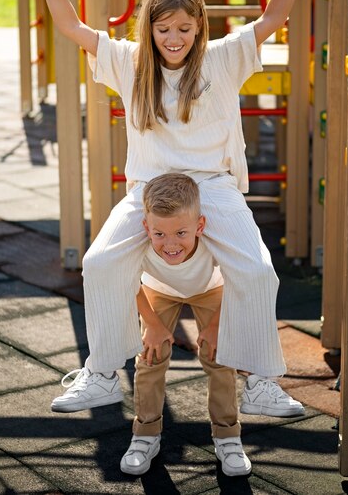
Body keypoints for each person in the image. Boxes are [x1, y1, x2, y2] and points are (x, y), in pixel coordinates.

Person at [29, 0, 311, 425]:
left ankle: (262, 381)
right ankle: (100, 372)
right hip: (151, 189)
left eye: (183, 28)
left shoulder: (221, 59)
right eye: (163, 30)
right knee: (98, 263)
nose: (173, 39)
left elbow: (274, 16)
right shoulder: (131, 62)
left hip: (212, 186)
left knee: (259, 270)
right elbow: (72, 28)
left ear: (199, 25)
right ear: (149, 29)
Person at [120, 172, 251, 476]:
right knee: (150, 357)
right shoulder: (137, 242)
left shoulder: (214, 239)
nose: (170, 244)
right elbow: (126, 281)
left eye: (181, 233)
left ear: (199, 226)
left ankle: (227, 436)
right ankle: (145, 434)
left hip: (211, 287)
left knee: (219, 357)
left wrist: (217, 323)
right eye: (160, 234)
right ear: (146, 228)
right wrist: (152, 323)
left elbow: (240, 276)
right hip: (158, 289)